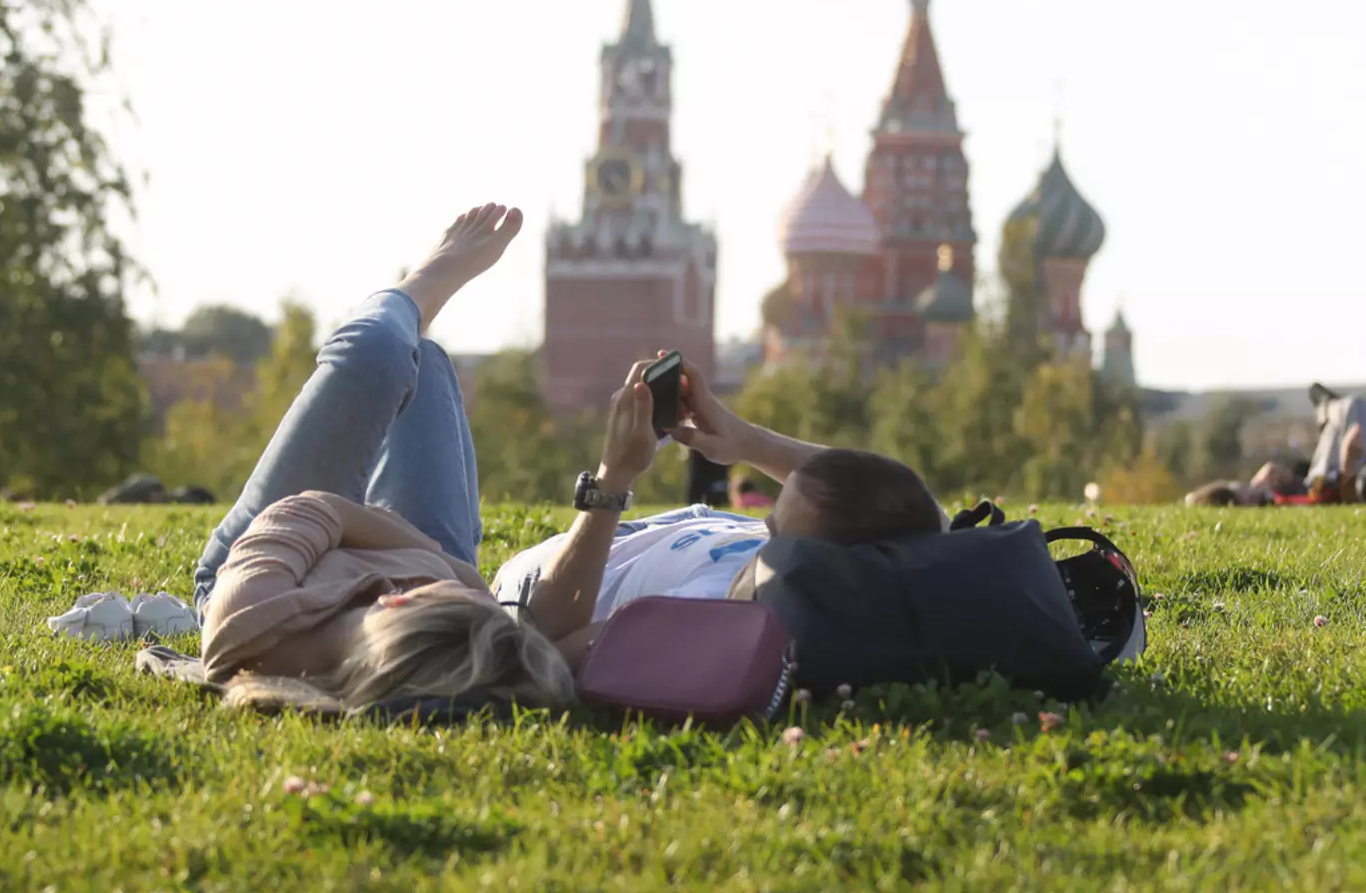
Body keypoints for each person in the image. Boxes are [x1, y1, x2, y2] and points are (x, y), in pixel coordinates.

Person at [192, 203, 575, 713]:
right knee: (429, 365)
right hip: (383, 551)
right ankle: (415, 324)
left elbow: (313, 511)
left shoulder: (252, 618)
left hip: (291, 539)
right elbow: (476, 591)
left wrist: (432, 555)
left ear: (396, 601)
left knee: (377, 355)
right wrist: (438, 565)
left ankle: (426, 281)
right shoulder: (455, 639)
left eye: (427, 590)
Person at [489, 359, 946, 669]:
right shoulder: (895, 542)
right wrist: (745, 441)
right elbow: (918, 506)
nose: (766, 529)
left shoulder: (719, 606)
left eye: (775, 528)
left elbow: (549, 649)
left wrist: (612, 479)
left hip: (556, 578)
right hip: (676, 529)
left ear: (815, 569)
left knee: (427, 364)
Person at [1185, 384, 1366, 507]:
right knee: (1354, 406)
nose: (1250, 492)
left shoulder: (1261, 494)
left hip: (1318, 479)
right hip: (1333, 480)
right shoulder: (1274, 504)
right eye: (1243, 495)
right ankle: (1327, 411)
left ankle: (1327, 411)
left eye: (1243, 488)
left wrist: (1263, 479)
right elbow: (1332, 499)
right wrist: (1348, 464)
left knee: (1352, 407)